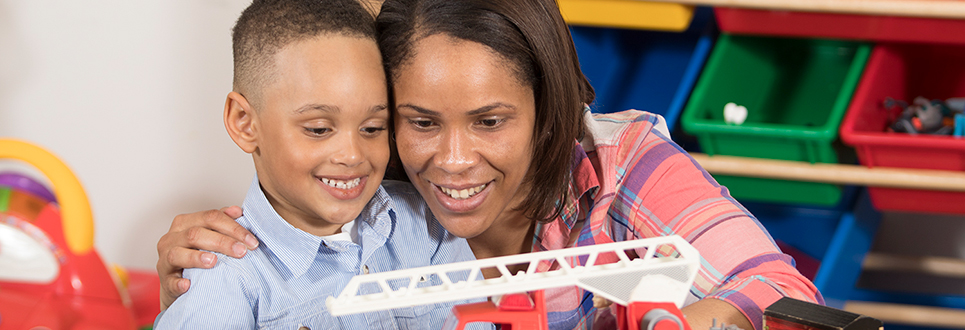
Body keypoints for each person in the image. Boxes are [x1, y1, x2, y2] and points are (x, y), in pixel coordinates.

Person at [156, 0, 822, 329]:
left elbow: (776, 290)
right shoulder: (372, 202)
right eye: (418, 121)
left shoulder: (622, 170)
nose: (451, 162)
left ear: (547, 107)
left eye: (489, 121)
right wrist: (185, 289)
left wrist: (723, 316)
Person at [153, 0, 482, 328]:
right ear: (244, 122)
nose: (352, 155)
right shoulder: (225, 279)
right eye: (319, 129)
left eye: (372, 128)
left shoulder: (427, 225)